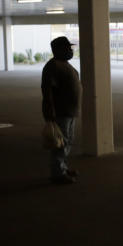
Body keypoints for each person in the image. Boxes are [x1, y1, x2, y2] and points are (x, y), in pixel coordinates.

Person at [41, 36, 81, 184]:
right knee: (59, 144)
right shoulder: (52, 66)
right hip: (60, 112)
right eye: (68, 48)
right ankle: (57, 173)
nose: (71, 50)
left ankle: (63, 167)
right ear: (57, 50)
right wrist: (49, 111)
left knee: (67, 141)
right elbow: (47, 91)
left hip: (70, 111)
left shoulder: (65, 64)